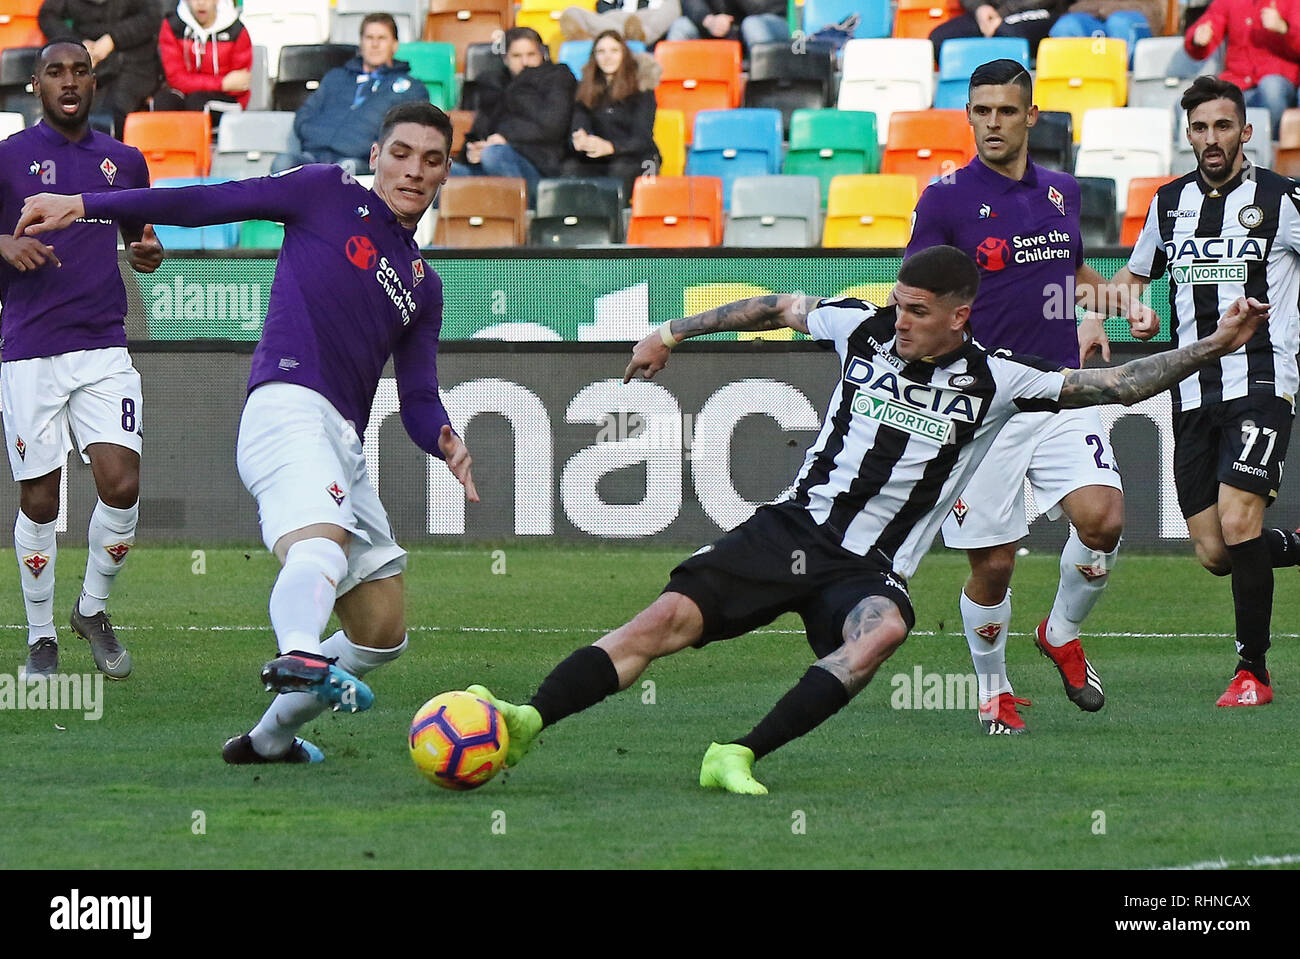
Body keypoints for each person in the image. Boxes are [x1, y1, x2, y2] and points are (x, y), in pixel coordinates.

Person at [465, 246, 1268, 795]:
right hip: (790, 529)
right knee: (666, 618)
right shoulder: (861, 325)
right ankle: (530, 717)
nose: (901, 318)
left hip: (867, 568)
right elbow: (774, 305)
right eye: (899, 303)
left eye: (918, 310)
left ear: (960, 316)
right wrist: (673, 329)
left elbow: (1123, 386)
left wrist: (1216, 342)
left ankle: (734, 753)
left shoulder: (999, 381)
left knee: (883, 630)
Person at [17, 101, 478, 762]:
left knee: (381, 632)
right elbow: (213, 199)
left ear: (445, 173)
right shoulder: (325, 191)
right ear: (376, 156)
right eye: (401, 154)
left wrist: (444, 438)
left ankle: (268, 740)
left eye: (430, 161)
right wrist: (86, 204)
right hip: (287, 407)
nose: (413, 170)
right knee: (318, 550)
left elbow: (417, 395)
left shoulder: (422, 284)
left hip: (341, 439)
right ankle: (298, 651)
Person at [906, 59, 1158, 733]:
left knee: (1103, 518)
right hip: (981, 401)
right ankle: (994, 691)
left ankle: (1062, 630)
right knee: (993, 564)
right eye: (981, 110)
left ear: (1030, 117)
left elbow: (1068, 269)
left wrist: (1115, 304)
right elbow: (914, 292)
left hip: (1055, 388)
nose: (993, 122)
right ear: (969, 115)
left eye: (1005, 111)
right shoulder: (945, 198)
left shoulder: (1062, 193)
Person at [1109, 75, 1300, 707]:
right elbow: (1131, 281)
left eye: (1224, 126)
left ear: (1246, 131)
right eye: (1200, 128)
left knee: (1242, 520)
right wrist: (1124, 310)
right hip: (1191, 393)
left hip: (1264, 381)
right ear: (1186, 133)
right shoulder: (1167, 205)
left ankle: (1254, 673)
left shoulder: (1283, 199)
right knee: (1217, 550)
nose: (1212, 139)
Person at [0, 40, 163, 681]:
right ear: (35, 85)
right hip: (30, 349)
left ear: (95, 84)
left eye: (81, 72)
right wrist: (5, 244)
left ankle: (91, 609)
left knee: (122, 486)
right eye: (56, 73)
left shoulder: (124, 161)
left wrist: (147, 251)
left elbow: (140, 238)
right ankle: (41, 636)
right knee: (40, 501)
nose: (69, 82)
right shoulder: (8, 159)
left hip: (103, 345)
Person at [272, 13, 429, 176]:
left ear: (394, 45)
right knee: (283, 162)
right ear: (361, 43)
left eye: (381, 38)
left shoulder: (410, 88)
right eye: (369, 38)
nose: (375, 44)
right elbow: (304, 114)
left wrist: (371, 148)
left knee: (345, 169)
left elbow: (407, 135)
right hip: (314, 155)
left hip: (360, 161)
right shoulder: (336, 77)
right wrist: (314, 134)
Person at [453, 27, 577, 206]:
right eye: (517, 56)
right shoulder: (494, 84)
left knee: (494, 154)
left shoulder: (557, 77)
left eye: (531, 54)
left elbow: (553, 126)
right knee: (440, 174)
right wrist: (471, 151)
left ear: (542, 54)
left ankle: (522, 216)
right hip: (491, 164)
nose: (525, 62)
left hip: (538, 168)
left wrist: (504, 139)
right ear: (505, 59)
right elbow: (481, 129)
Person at [38, 0, 163, 138]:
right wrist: (77, 44)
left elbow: (152, 16)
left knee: (111, 117)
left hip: (133, 61)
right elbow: (47, 16)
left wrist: (112, 40)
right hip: (85, 60)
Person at [563, 30, 660, 198]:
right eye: (601, 52)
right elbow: (579, 122)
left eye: (614, 51)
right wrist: (579, 139)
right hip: (602, 156)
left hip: (642, 158)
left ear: (624, 54)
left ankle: (615, 221)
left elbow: (642, 139)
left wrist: (610, 147)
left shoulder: (642, 88)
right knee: (570, 168)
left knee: (620, 170)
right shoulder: (586, 88)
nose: (608, 57)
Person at [1185, 0, 1300, 135]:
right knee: (1190, 103)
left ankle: (1274, 147)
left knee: (1271, 87)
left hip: (1281, 85)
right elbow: (1210, 24)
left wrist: (1283, 28)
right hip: (1239, 85)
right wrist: (1198, 38)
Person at [154, 0, 253, 122]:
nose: (201, 3)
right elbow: (176, 79)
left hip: (227, 100)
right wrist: (222, 83)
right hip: (190, 94)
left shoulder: (237, 31)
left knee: (197, 103)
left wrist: (192, 82)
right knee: (164, 102)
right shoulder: (173, 26)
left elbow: (239, 84)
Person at [929, 0, 1068, 63]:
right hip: (992, 11)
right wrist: (980, 7)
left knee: (1006, 34)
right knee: (939, 40)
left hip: (1045, 10)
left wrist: (1001, 14)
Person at [666, 0, 788, 49]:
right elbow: (690, 2)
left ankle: (764, 92)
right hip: (718, 23)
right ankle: (671, 93)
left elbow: (764, 7)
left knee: (753, 26)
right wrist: (708, 20)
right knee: (681, 26)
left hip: (772, 23)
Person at [560, 0, 683, 45]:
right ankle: (626, 35)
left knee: (672, 10)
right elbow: (603, 9)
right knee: (572, 12)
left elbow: (671, 14)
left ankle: (638, 37)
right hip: (619, 20)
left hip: (649, 20)